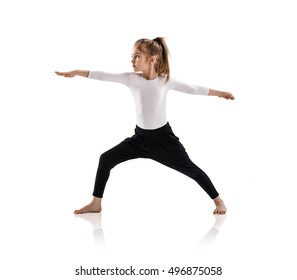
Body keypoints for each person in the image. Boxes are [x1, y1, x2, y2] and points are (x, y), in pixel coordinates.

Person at [55, 37, 234, 215]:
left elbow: (194, 88)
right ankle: (96, 203)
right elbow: (104, 75)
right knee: (106, 159)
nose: (132, 61)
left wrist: (220, 93)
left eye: (137, 56)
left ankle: (219, 201)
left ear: (152, 59)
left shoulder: (166, 80)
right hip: (139, 140)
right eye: (132, 56)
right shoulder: (132, 79)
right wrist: (76, 72)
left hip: (164, 141)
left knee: (191, 169)